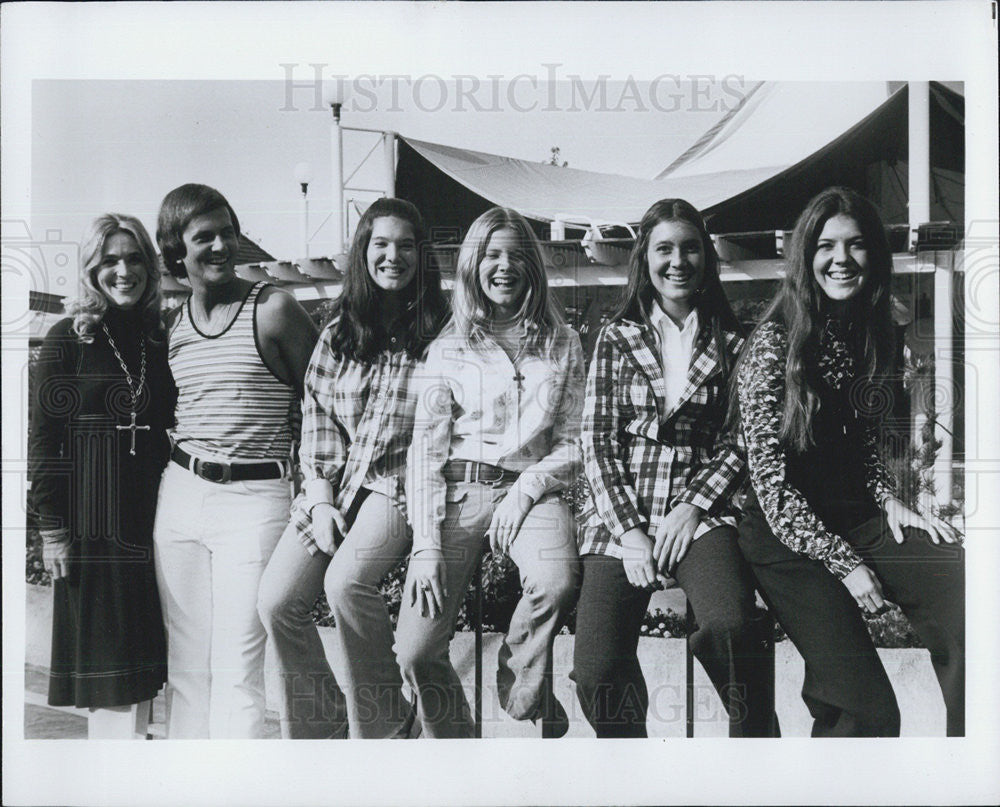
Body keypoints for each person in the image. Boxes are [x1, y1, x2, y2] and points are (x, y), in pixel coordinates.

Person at [733, 186, 964, 736]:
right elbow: (772, 485)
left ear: (874, 257)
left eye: (856, 245)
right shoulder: (772, 345)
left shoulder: (872, 332)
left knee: (966, 603)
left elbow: (863, 443)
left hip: (859, 516)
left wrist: (890, 499)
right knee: (868, 711)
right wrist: (844, 563)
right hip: (785, 537)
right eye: (826, 246)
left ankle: (974, 764)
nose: (842, 259)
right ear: (805, 256)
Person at [574, 198, 776, 738]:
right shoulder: (616, 338)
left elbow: (741, 441)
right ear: (646, 257)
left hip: (700, 510)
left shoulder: (734, 343)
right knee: (595, 668)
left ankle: (757, 747)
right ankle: (631, 768)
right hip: (623, 516)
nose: (678, 261)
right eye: (664, 248)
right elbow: (596, 440)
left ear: (707, 259)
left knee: (729, 624)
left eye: (690, 248)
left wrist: (692, 506)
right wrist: (631, 534)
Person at [257, 198, 448, 739]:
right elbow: (316, 415)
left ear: (421, 255)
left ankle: (386, 729)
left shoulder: (443, 330)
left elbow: (442, 431)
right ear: (363, 251)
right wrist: (318, 499)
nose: (393, 256)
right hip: (336, 487)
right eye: (380, 244)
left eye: (405, 245)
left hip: (398, 486)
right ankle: (324, 729)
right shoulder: (340, 329)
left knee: (345, 583)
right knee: (277, 603)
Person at [402, 207, 584, 738]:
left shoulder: (562, 341)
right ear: (472, 266)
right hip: (457, 492)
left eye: (515, 255)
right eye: (491, 255)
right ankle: (462, 755)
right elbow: (424, 453)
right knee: (416, 651)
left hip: (532, 490)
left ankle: (519, 677)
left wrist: (528, 487)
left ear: (532, 265)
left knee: (555, 580)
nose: (504, 267)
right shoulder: (448, 347)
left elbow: (575, 440)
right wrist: (426, 545)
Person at [152, 183, 318, 739]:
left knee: (238, 670)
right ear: (177, 250)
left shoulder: (274, 309)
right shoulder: (171, 327)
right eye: (205, 237)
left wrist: (318, 490)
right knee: (187, 668)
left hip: (256, 500)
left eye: (228, 231)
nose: (221, 245)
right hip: (180, 495)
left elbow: (325, 401)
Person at [29, 214, 172, 738]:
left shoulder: (158, 337)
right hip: (92, 521)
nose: (124, 270)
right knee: (110, 673)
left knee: (150, 665)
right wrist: (53, 531)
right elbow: (44, 440)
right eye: (110, 260)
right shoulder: (67, 338)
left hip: (155, 515)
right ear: (92, 269)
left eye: (134, 258)